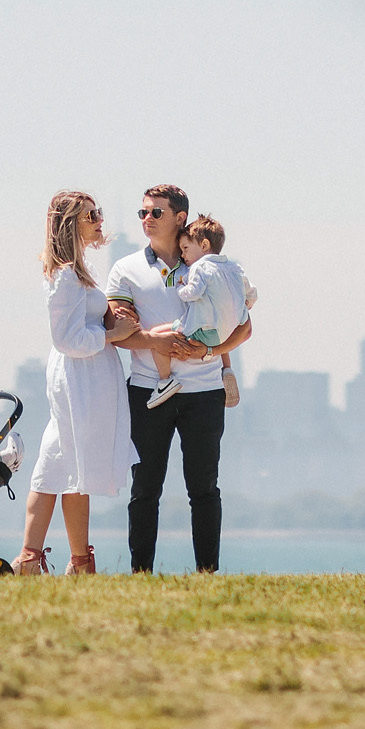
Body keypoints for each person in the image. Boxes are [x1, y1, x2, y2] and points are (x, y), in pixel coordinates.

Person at [105, 184, 253, 573]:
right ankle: (140, 574)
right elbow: (116, 331)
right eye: (143, 213)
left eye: (155, 213)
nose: (146, 220)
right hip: (146, 390)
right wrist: (155, 339)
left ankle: (208, 573)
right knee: (144, 490)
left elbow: (244, 327)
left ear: (180, 217)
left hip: (205, 392)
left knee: (204, 489)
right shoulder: (125, 269)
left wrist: (207, 352)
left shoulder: (209, 263)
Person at [15, 190, 134, 576]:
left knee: (63, 465)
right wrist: (112, 336)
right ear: (70, 224)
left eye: (98, 212)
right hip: (79, 380)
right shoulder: (66, 275)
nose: (99, 220)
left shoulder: (78, 271)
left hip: (85, 379)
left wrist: (106, 320)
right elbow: (66, 340)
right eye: (90, 215)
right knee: (68, 463)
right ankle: (51, 559)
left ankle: (59, 560)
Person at [143, 214, 251, 409]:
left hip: (204, 333)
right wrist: (247, 303)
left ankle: (165, 381)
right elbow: (251, 293)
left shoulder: (199, 267)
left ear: (204, 245)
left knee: (157, 336)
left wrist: (181, 289)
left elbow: (194, 292)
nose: (183, 255)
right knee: (216, 314)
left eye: (185, 249)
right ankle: (227, 370)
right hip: (227, 332)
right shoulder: (233, 267)